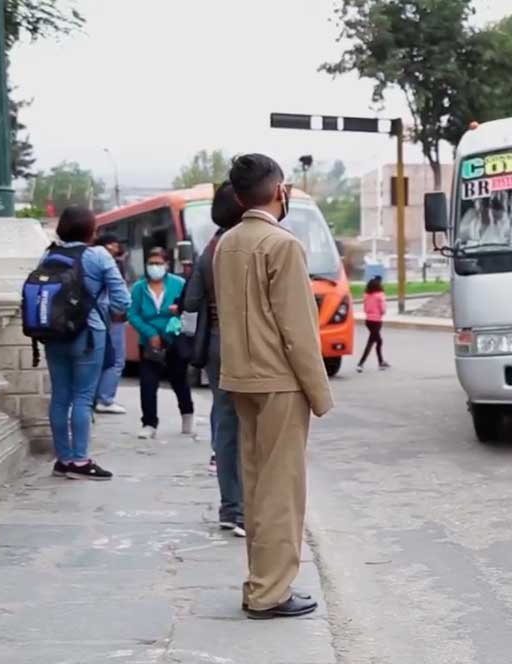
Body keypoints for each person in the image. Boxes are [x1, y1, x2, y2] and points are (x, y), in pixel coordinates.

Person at [214, 154, 333, 619]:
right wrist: (319, 393)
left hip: (239, 377)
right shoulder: (282, 244)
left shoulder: (227, 243)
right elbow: (298, 329)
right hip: (280, 381)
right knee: (282, 490)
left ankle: (258, 582)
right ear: (280, 191)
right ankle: (271, 592)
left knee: (256, 484)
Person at [43, 207, 131, 480]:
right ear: (91, 230)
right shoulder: (98, 255)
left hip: (53, 333)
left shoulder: (48, 255)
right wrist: (102, 306)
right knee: (83, 397)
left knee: (60, 396)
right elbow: (123, 301)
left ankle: (63, 460)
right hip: (88, 335)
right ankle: (80, 461)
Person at [183, 181, 245, 538]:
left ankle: (230, 508)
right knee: (244, 426)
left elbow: (191, 301)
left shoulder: (210, 247)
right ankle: (242, 511)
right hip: (240, 342)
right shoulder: (240, 244)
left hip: (215, 345)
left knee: (224, 423)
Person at [127, 247, 194, 439]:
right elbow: (133, 314)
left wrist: (178, 310)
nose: (155, 267)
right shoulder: (139, 288)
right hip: (149, 342)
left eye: (159, 263)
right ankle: (149, 423)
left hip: (174, 339)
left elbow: (189, 307)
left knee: (179, 379)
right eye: (151, 263)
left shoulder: (178, 284)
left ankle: (187, 414)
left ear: (167, 265)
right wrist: (150, 334)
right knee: (148, 383)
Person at [93, 232, 129, 414]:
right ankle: (105, 399)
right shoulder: (111, 263)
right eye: (113, 244)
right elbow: (120, 295)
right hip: (112, 317)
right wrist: (119, 310)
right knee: (116, 359)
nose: (116, 248)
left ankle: (95, 397)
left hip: (94, 315)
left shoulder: (89, 260)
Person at [357, 276, 390, 372]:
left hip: (368, 321)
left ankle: (381, 362)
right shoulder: (380, 295)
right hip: (376, 321)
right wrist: (381, 313)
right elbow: (383, 309)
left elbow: (365, 308)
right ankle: (361, 364)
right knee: (374, 342)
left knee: (377, 341)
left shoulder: (366, 295)